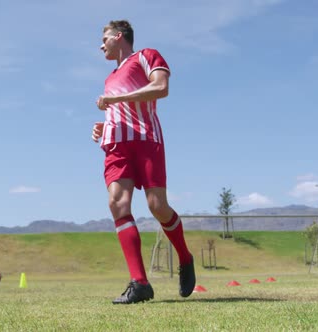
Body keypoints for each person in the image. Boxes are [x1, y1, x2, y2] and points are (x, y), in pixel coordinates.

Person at [92, 20, 196, 304]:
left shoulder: (146, 55)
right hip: (117, 145)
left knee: (156, 206)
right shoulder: (109, 78)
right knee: (117, 203)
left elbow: (161, 87)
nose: (101, 45)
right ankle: (139, 283)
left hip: (146, 139)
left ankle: (185, 258)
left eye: (104, 38)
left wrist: (119, 99)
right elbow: (118, 110)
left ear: (119, 35)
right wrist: (102, 127)